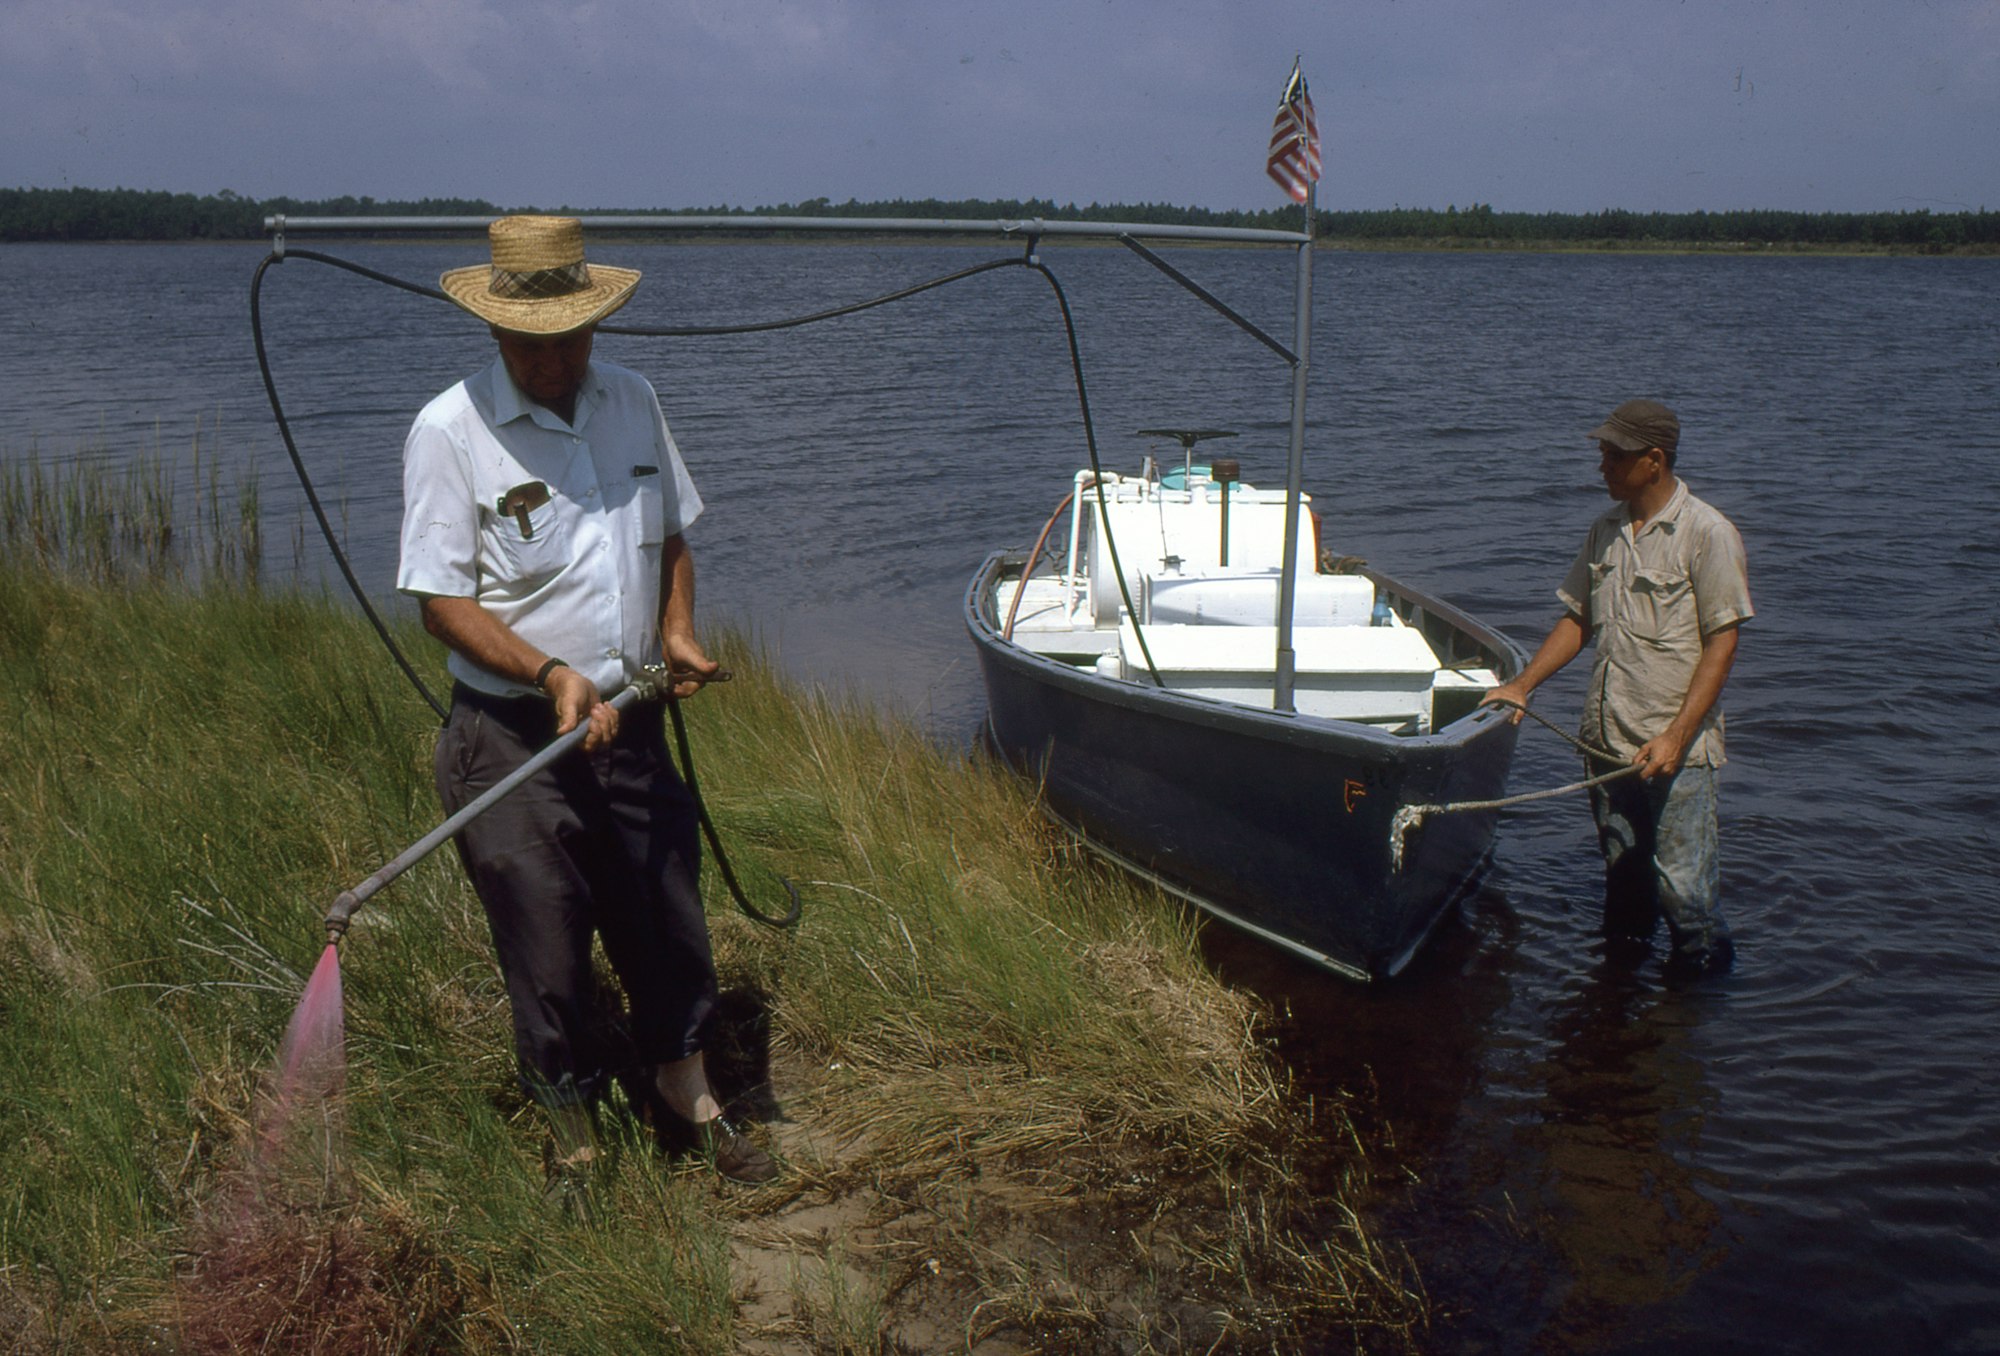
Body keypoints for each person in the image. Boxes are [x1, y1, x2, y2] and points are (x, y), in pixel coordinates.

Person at [396, 215, 776, 1183]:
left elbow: (672, 538)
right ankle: (571, 1136)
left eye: (570, 337)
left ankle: (684, 1087)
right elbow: (440, 601)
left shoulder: (633, 400)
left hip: (630, 720)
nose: (553, 359)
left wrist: (676, 633)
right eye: (532, 342)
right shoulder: (449, 429)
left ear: (596, 325)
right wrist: (548, 673)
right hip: (511, 735)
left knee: (664, 917)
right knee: (548, 942)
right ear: (492, 332)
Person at [1484, 399, 1753, 980]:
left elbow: (1721, 644)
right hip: (1606, 741)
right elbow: (1577, 619)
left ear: (1654, 461)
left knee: (1686, 896)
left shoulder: (1708, 534)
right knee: (1624, 885)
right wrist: (1522, 685)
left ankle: (1694, 1018)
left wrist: (1677, 737)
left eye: (1615, 456)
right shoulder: (1604, 530)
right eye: (1603, 454)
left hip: (1673, 749)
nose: (1602, 467)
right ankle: (1617, 1006)